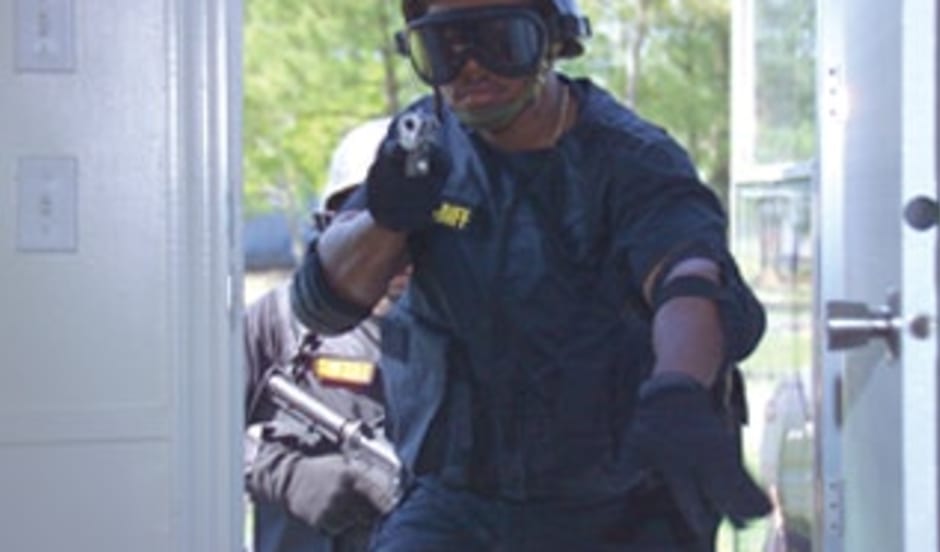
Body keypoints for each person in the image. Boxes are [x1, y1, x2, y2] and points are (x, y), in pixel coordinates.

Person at [291, 1, 771, 550]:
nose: (471, 67)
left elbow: (688, 278)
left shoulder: (630, 160)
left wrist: (679, 388)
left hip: (621, 506)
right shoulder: (421, 145)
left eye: (500, 40)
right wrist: (386, 214)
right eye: (443, 47)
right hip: (458, 502)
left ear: (552, 42)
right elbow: (323, 303)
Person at [244, 118, 398, 552]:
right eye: (357, 226)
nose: (378, 249)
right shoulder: (278, 322)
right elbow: (188, 430)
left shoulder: (476, 328)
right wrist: (283, 474)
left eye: (396, 228)